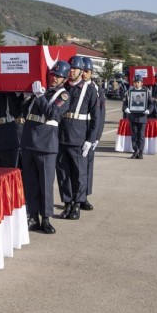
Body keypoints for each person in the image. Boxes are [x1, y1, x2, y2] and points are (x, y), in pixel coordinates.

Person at [21, 60, 72, 234]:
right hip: (29, 140)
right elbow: (22, 112)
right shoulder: (40, 90)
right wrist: (27, 97)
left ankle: (46, 218)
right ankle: (33, 216)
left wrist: (40, 96)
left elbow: (53, 114)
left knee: (45, 183)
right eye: (53, 75)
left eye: (58, 76)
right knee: (30, 182)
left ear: (64, 79)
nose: (54, 78)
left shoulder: (63, 95)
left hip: (46, 143)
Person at [56, 56, 98, 220]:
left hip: (79, 137)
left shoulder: (89, 90)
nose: (71, 71)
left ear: (81, 71)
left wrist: (90, 139)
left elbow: (96, 117)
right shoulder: (63, 87)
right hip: (60, 135)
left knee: (79, 173)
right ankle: (67, 202)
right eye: (70, 68)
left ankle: (76, 204)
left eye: (75, 68)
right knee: (63, 173)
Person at [81, 57, 103, 211]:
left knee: (87, 165)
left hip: (90, 128)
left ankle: (84, 197)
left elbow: (100, 115)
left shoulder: (96, 89)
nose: (83, 74)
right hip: (77, 129)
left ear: (91, 73)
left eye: (87, 71)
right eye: (82, 71)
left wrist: (96, 136)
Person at [123, 75, 153, 159]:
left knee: (141, 135)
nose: (136, 84)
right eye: (135, 82)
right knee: (134, 135)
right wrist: (126, 109)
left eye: (138, 82)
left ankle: (140, 152)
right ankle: (135, 151)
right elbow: (124, 104)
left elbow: (151, 104)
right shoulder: (129, 92)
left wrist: (148, 110)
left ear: (141, 83)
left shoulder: (146, 92)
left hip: (142, 117)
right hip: (133, 117)